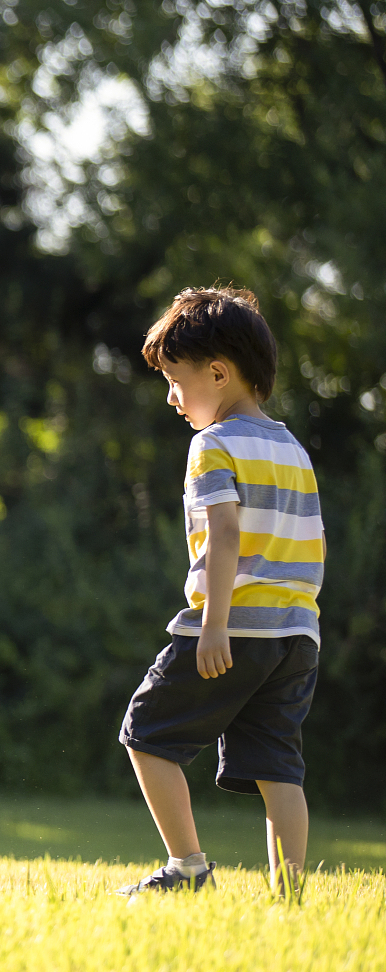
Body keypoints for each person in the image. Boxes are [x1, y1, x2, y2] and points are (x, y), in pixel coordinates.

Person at [118, 288, 322, 899]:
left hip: (235, 626)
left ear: (217, 372)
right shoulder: (294, 449)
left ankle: (187, 866)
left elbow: (227, 531)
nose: (174, 399)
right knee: (278, 767)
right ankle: (289, 897)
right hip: (296, 635)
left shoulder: (213, 444)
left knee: (146, 733)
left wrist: (214, 623)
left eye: (177, 382)